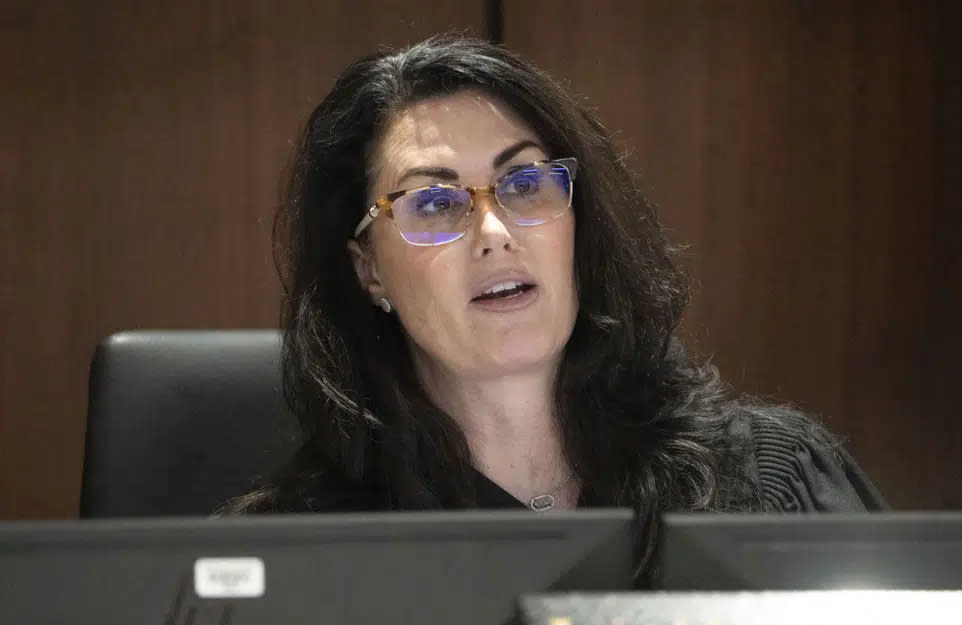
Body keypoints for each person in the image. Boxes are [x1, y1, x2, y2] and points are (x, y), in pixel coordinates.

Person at [219, 34, 885, 575]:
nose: (495, 232)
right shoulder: (295, 557)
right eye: (433, 202)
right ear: (370, 273)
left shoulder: (771, 488)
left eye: (525, 182)